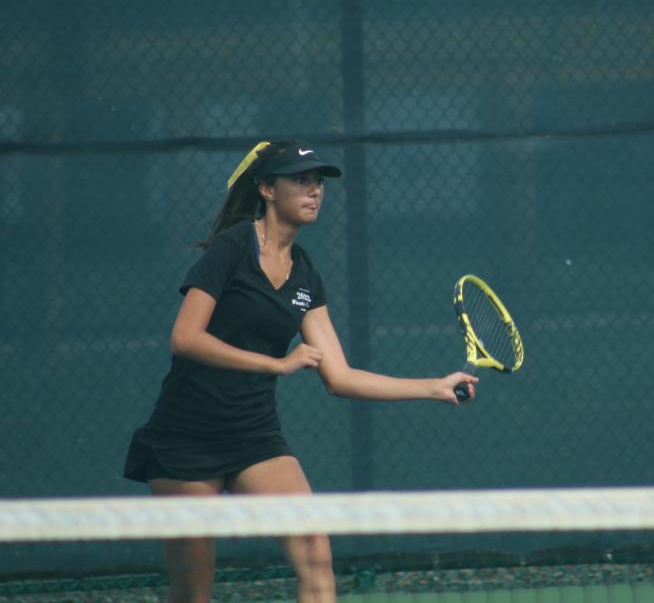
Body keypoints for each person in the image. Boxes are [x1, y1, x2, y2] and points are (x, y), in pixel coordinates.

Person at [124, 139, 477, 603]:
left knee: (314, 547)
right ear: (267, 189)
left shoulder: (305, 275)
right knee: (194, 589)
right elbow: (186, 337)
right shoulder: (233, 248)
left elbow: (340, 376)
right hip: (185, 438)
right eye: (300, 180)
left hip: (254, 437)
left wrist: (434, 387)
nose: (314, 191)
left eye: (318, 183)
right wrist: (277, 363)